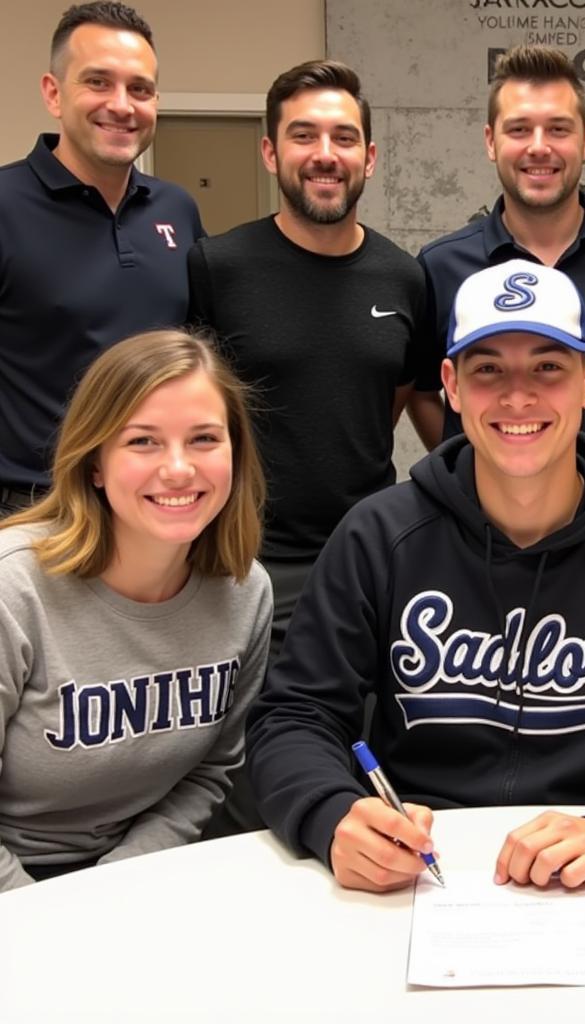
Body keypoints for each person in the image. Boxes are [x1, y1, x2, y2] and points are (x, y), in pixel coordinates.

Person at [247, 259, 585, 893]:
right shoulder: (378, 536)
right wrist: (331, 813)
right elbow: (294, 718)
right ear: (451, 385)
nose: (517, 397)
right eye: (488, 370)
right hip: (421, 877)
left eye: (547, 367)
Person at [187, 59, 429, 835]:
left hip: (369, 562)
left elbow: (390, 400)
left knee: (364, 756)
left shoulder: (404, 275)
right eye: (304, 135)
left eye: (343, 137)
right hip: (248, 561)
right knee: (252, 769)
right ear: (270, 153)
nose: (325, 152)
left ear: (370, 156)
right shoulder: (218, 268)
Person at [0, 330, 272, 892]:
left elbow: (212, 770)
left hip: (139, 873)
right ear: (94, 462)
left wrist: (113, 891)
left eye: (203, 439)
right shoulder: (14, 587)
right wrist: (40, 916)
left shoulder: (246, 591)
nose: (178, 469)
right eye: (143, 442)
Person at [413, 45, 585, 497]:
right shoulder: (441, 266)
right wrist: (479, 459)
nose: (539, 147)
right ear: (491, 141)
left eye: (558, 129)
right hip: (483, 528)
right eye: (519, 129)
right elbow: (425, 393)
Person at [0, 2, 204, 514]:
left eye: (140, 89)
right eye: (98, 82)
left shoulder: (177, 209)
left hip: (155, 505)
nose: (121, 104)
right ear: (53, 92)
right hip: (35, 512)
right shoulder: (4, 205)